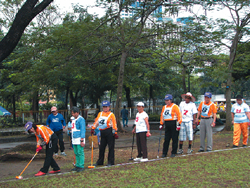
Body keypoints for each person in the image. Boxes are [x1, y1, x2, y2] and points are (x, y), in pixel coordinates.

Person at [91, 100, 118, 166]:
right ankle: (100, 161)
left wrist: (115, 132)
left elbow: (114, 124)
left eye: (106, 107)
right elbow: (97, 122)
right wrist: (93, 128)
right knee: (101, 147)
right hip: (102, 132)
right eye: (104, 107)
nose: (105, 108)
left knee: (111, 147)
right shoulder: (100, 114)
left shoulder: (111, 114)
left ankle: (110, 161)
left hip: (109, 131)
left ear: (109, 107)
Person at [70, 106, 86, 172]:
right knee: (76, 152)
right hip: (74, 138)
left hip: (79, 138)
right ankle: (77, 165)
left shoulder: (81, 119)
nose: (72, 114)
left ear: (77, 113)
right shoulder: (73, 119)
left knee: (80, 152)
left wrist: (82, 139)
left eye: (73, 113)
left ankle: (81, 165)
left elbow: (83, 129)